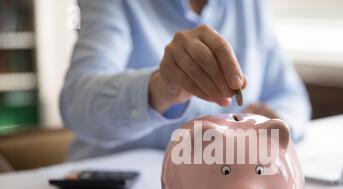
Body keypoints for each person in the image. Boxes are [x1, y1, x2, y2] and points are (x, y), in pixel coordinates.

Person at [60, 0, 311, 160]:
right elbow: (77, 102)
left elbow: (291, 95)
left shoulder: (249, 5)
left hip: (226, 185)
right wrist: (161, 88)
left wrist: (270, 123)